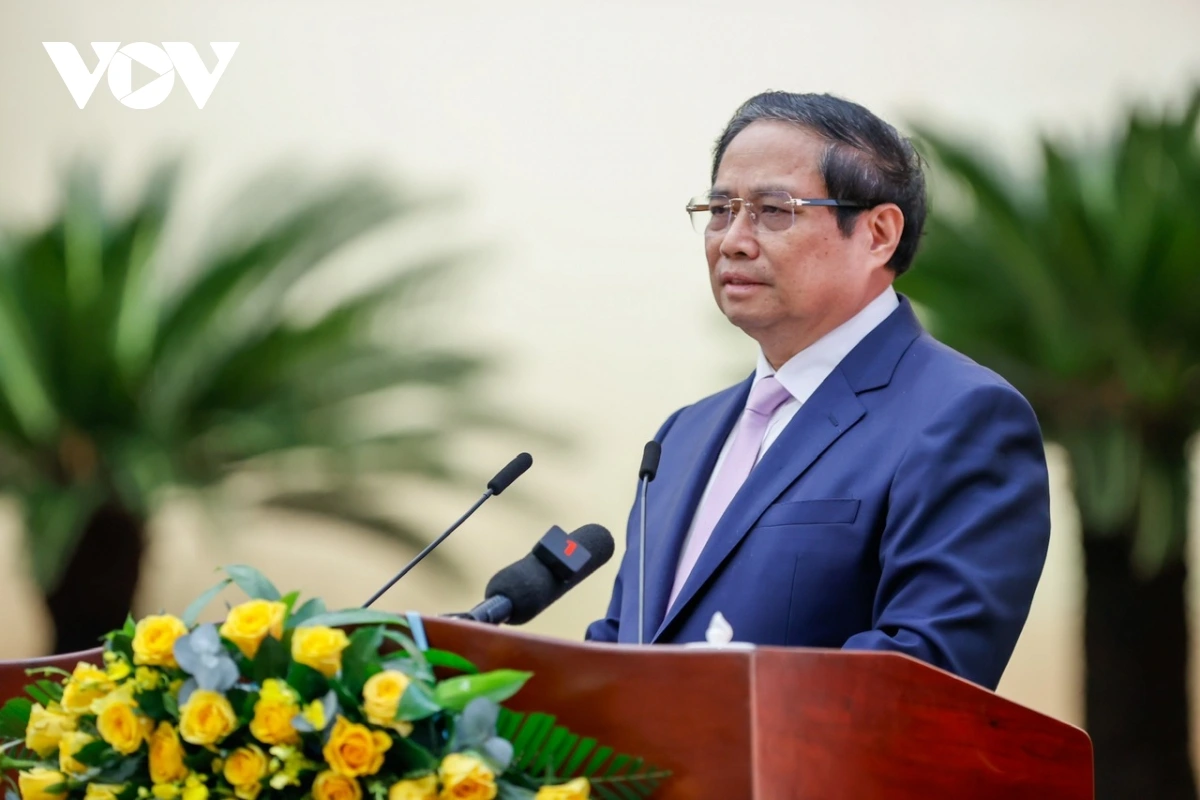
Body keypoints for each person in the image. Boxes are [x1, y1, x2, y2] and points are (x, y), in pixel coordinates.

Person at [585, 91, 1050, 691]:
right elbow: (623, 648)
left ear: (878, 233)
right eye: (721, 209)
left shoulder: (963, 417)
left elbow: (921, 677)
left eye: (773, 210)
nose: (733, 240)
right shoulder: (683, 435)